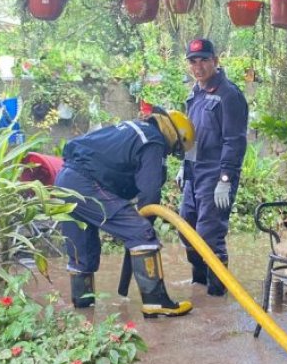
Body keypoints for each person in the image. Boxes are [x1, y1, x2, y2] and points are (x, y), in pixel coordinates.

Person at [55, 106, 195, 318]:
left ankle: (83, 307)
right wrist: (145, 224)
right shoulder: (154, 141)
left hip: (65, 179)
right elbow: (149, 192)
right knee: (141, 233)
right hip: (86, 182)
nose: (169, 153)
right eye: (174, 149)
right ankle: (156, 302)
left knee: (80, 248)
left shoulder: (135, 128)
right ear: (175, 136)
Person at [178, 38, 249, 296]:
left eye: (204, 60)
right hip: (193, 171)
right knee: (186, 227)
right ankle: (198, 284)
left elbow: (235, 140)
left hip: (216, 174)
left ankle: (217, 293)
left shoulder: (229, 95)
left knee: (210, 233)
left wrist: (226, 178)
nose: (198, 66)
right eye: (193, 61)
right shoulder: (195, 93)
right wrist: (183, 165)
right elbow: (192, 134)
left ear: (215, 61)